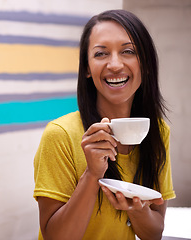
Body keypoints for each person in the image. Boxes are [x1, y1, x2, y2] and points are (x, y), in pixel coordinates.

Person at [33, 9, 175, 240]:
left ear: (146, 64)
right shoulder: (61, 135)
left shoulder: (158, 132)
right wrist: (91, 174)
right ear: (87, 68)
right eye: (101, 54)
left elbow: (154, 233)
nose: (115, 64)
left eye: (128, 51)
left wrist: (137, 211)